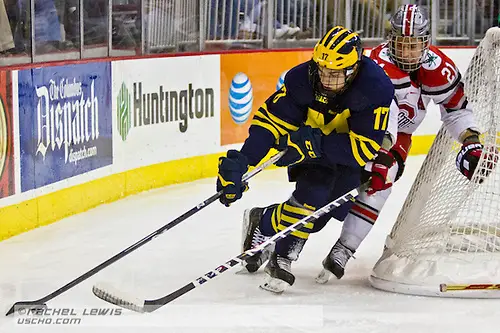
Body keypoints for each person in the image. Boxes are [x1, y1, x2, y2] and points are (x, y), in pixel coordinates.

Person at [315, 4, 496, 284]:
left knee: (381, 181)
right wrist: (379, 149)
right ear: (391, 40)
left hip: (398, 136)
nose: (408, 52)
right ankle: (272, 230)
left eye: (414, 45)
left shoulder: (440, 69)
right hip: (359, 130)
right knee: (322, 191)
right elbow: (367, 111)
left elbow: (456, 111)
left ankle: (344, 248)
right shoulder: (375, 65)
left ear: (426, 42)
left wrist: (470, 141)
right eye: (402, 44)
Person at [216, 26, 398, 293]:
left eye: (335, 74)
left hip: (341, 152)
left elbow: (364, 148)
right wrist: (244, 160)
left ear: (354, 69)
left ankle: (262, 221)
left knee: (324, 215)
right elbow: (269, 124)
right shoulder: (302, 79)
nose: (326, 79)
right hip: (309, 151)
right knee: (312, 196)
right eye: (323, 70)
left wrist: (317, 143)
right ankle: (283, 255)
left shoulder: (374, 87)